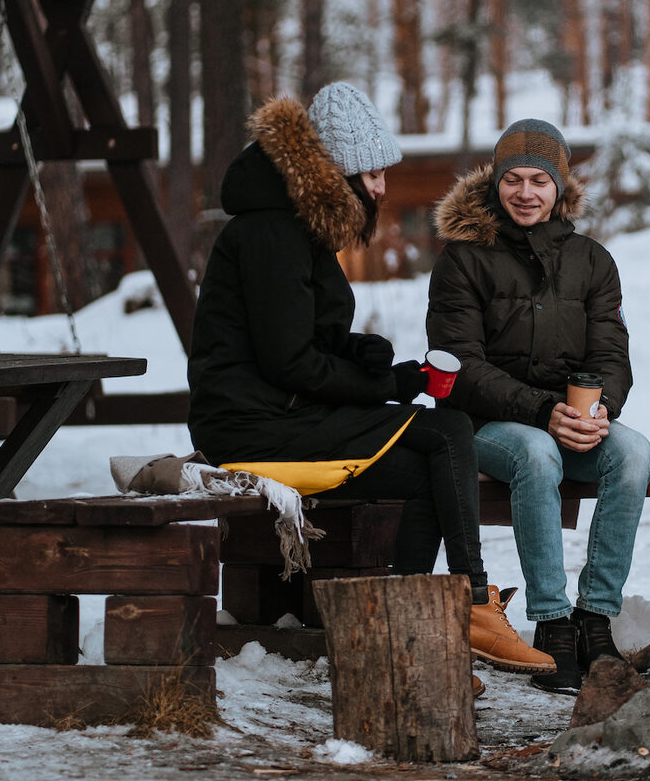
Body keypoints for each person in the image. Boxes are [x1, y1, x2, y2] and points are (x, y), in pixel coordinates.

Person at [188, 83, 552, 675]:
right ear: (335, 172)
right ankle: (469, 605)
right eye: (373, 173)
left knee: (435, 465)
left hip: (283, 412)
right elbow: (290, 365)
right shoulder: (271, 234)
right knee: (447, 433)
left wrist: (368, 354)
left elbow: (300, 338)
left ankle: (408, 634)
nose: (382, 187)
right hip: (253, 425)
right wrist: (388, 385)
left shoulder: (298, 229)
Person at [427, 118, 650, 693]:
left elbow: (610, 352)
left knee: (633, 453)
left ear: (559, 188)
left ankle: (594, 618)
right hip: (484, 424)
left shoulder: (592, 261)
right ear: (495, 184)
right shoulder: (463, 259)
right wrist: (543, 411)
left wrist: (602, 410)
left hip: (566, 417)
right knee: (536, 454)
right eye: (513, 180)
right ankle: (551, 622)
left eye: (539, 181)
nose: (526, 193)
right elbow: (460, 365)